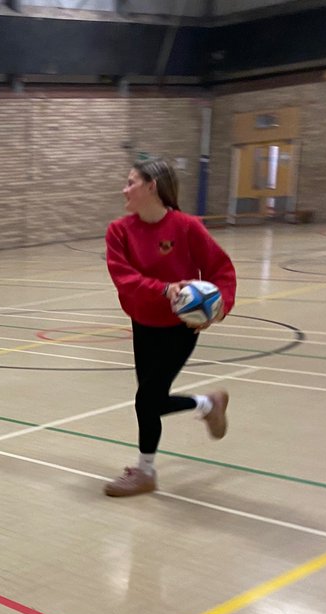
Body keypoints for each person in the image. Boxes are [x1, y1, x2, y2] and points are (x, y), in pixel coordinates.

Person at [103, 156, 236, 497]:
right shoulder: (119, 231)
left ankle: (146, 472)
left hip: (180, 329)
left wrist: (219, 308)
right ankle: (207, 404)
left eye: (131, 182)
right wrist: (164, 289)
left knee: (146, 400)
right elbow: (124, 278)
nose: (125, 188)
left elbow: (221, 269)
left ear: (152, 187)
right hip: (143, 325)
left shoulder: (187, 227)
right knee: (152, 400)